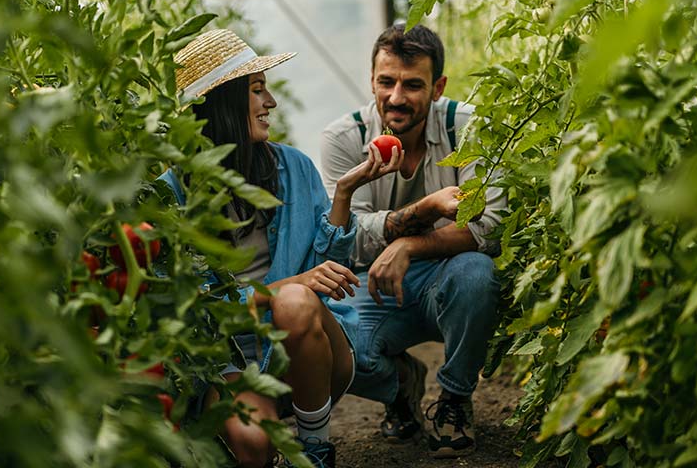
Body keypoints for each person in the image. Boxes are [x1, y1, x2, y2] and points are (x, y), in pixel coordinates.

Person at [159, 29, 401, 468]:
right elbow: (195, 313)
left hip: (309, 352)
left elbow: (330, 278)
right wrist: (287, 285)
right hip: (231, 361)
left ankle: (315, 452)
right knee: (253, 445)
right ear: (222, 104)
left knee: (295, 301)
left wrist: (344, 194)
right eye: (256, 90)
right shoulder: (171, 198)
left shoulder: (293, 168)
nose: (270, 101)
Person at [318, 23, 504, 458]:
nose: (397, 97)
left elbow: (490, 227)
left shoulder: (469, 128)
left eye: (413, 84)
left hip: (448, 273)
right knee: (336, 342)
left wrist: (409, 245)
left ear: (438, 87)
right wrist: (426, 210)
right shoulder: (344, 139)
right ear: (372, 81)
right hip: (376, 285)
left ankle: (455, 399)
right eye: (387, 82)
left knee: (478, 273)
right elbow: (346, 242)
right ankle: (401, 387)